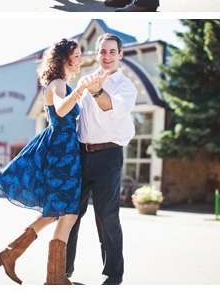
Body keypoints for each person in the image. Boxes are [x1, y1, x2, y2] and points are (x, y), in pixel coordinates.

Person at [0, 38, 103, 285]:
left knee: (65, 213)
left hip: (65, 151)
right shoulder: (57, 83)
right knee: (64, 212)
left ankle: (23, 260)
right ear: (63, 58)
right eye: (76, 55)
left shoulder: (60, 84)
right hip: (61, 153)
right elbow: (62, 111)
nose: (79, 59)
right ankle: (33, 265)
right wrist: (80, 90)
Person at [65, 33, 137, 285]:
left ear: (120, 55)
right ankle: (63, 270)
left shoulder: (126, 86)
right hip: (81, 155)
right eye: (102, 51)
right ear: (96, 54)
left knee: (107, 217)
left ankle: (113, 275)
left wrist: (97, 91)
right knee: (70, 215)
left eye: (111, 52)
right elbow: (71, 113)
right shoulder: (84, 81)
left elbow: (111, 108)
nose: (107, 56)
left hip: (109, 156)